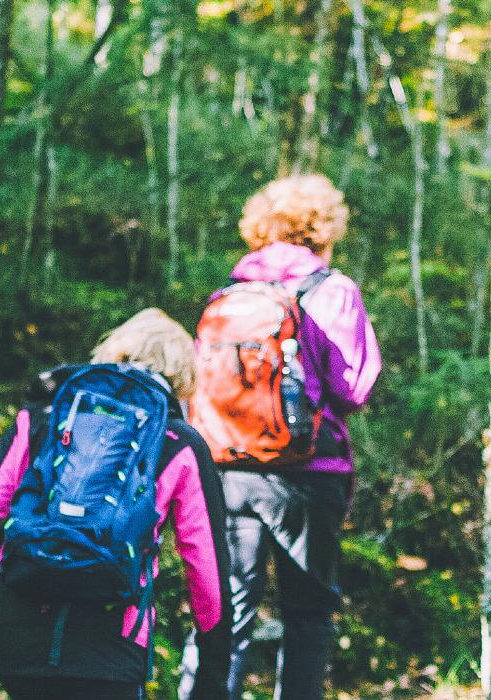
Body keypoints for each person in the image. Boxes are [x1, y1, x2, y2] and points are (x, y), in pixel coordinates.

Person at [0, 309, 234, 700]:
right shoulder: (180, 444)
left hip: (17, 638)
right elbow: (208, 575)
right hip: (110, 651)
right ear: (183, 377)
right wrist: (213, 682)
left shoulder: (44, 418)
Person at [182, 174, 382, 700]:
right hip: (307, 475)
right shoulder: (333, 291)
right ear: (324, 226)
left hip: (225, 471)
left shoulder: (228, 294)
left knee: (224, 611)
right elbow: (353, 387)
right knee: (307, 614)